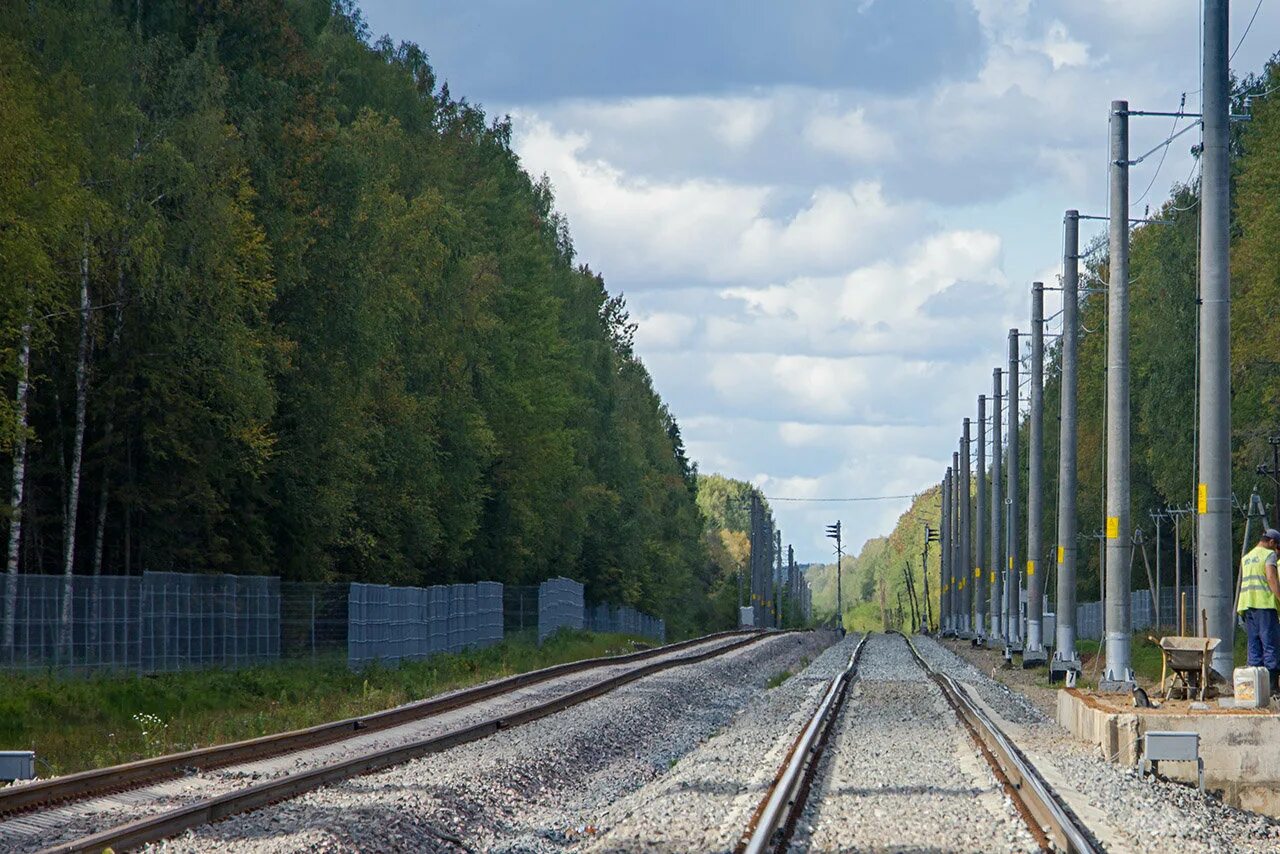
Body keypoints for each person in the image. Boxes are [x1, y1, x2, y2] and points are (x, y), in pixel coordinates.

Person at [1237, 528, 1280, 692]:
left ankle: (1255, 690)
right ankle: (1272, 690)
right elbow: (1271, 578)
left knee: (1254, 647)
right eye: (1276, 546)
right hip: (1264, 605)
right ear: (1271, 542)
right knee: (1270, 645)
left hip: (1247, 606)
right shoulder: (1268, 555)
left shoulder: (1247, 557)